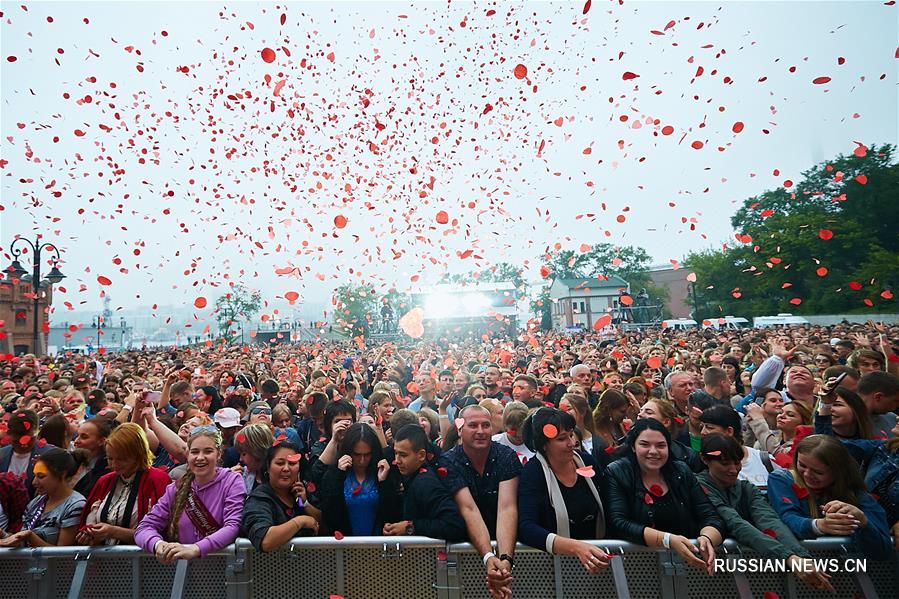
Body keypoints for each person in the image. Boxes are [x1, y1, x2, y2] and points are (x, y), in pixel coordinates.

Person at [696, 434, 834, 593]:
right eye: (725, 464)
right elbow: (735, 523)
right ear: (705, 460)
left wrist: (803, 558)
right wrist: (789, 558)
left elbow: (769, 520)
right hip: (706, 571)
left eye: (737, 463)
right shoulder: (697, 485)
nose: (733, 470)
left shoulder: (747, 488)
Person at [602, 418, 723, 575]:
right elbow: (618, 523)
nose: (653, 451)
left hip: (688, 566)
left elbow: (710, 515)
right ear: (633, 446)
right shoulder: (617, 472)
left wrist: (707, 538)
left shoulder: (681, 471)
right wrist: (668, 540)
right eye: (645, 445)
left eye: (661, 445)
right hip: (635, 567)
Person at [767, 434, 892, 559]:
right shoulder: (782, 479)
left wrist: (863, 522)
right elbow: (786, 518)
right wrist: (818, 525)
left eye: (818, 472)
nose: (807, 474)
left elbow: (883, 551)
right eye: (802, 465)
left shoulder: (857, 494)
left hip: (850, 572)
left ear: (839, 471)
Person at [517, 407, 610, 574]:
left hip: (595, 563)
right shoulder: (533, 473)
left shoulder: (586, 460)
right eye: (562, 439)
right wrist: (575, 547)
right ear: (543, 445)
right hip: (551, 568)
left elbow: (608, 504)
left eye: (571, 435)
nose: (571, 443)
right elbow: (526, 527)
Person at [442, 405, 521, 598]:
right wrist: (488, 557)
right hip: (466, 552)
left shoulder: (506, 455)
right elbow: (468, 509)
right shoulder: (448, 461)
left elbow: (507, 507)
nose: (480, 431)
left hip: (509, 550)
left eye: (486, 425)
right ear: (460, 429)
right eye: (473, 425)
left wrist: (505, 559)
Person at [134, 425, 247, 562]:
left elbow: (233, 526)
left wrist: (196, 548)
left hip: (225, 570)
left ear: (218, 454)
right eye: (195, 452)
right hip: (185, 572)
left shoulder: (232, 481)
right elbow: (144, 527)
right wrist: (158, 544)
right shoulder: (176, 488)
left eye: (208, 451)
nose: (200, 457)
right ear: (187, 455)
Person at [76, 423, 171, 546]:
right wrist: (89, 534)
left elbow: (161, 534)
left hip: (142, 561)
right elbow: (87, 522)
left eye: (121, 459)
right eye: (110, 458)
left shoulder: (157, 480)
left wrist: (114, 532)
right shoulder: (105, 481)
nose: (114, 465)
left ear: (138, 454)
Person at [384, 424, 466, 541]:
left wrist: (410, 527)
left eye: (403, 455)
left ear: (421, 455)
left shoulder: (426, 483)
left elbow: (453, 525)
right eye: (396, 453)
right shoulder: (412, 477)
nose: (397, 461)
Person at [320, 424, 398, 536]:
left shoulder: (383, 472)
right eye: (357, 455)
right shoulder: (334, 475)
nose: (362, 460)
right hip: (345, 545)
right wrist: (338, 476)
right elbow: (329, 515)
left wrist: (384, 483)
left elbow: (392, 513)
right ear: (348, 451)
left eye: (367, 455)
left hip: (378, 544)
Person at [0, 448, 87, 547]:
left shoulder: (75, 506)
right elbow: (21, 542)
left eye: (41, 477)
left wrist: (31, 537)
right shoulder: (36, 502)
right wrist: (4, 535)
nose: (34, 482)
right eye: (34, 476)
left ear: (62, 475)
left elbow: (63, 555)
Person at [242, 442, 320, 551]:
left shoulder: (300, 492)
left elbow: (322, 525)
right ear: (268, 468)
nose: (286, 469)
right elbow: (265, 540)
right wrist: (300, 521)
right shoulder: (259, 498)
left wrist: (305, 503)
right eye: (280, 463)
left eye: (292, 463)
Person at [699, 405, 777, 491]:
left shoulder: (764, 459)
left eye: (709, 427)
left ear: (729, 431)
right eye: (725, 463)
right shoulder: (701, 463)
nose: (703, 432)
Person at [72, 416, 114, 497]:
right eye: (77, 435)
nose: (76, 441)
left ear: (101, 441)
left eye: (84, 437)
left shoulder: (106, 471)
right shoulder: (72, 460)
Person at [234, 423, 275, 492]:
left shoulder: (277, 480)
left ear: (258, 451)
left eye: (244, 454)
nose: (240, 459)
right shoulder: (243, 475)